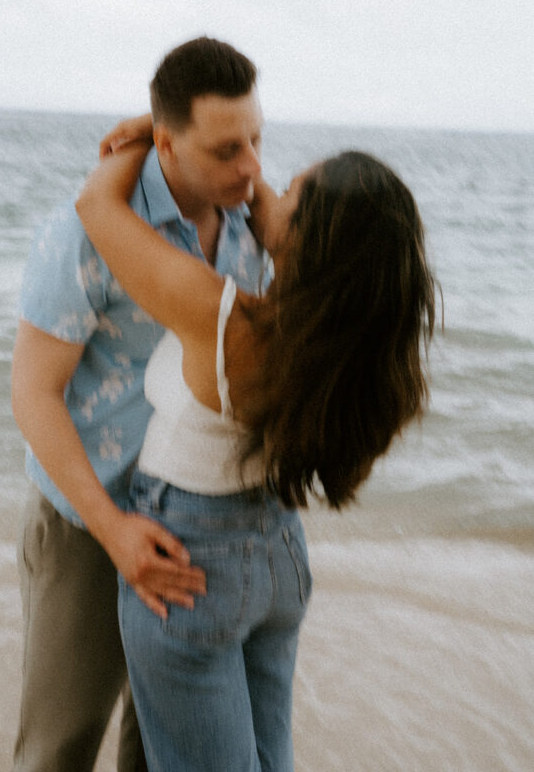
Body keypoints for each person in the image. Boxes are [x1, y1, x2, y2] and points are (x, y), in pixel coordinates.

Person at [75, 139, 436, 772]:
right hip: (278, 558)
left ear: (310, 238)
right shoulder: (350, 348)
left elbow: (96, 206)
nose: (265, 192)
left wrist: (159, 134)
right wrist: (244, 167)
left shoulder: (221, 316)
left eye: (290, 192)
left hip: (194, 562)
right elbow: (283, 216)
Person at [11, 37, 269, 771]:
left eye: (257, 140)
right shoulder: (83, 231)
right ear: (165, 142)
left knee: (162, 751)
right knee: (58, 748)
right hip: (86, 522)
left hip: (198, 523)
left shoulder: (251, 228)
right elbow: (33, 394)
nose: (250, 166)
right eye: (226, 149)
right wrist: (114, 531)